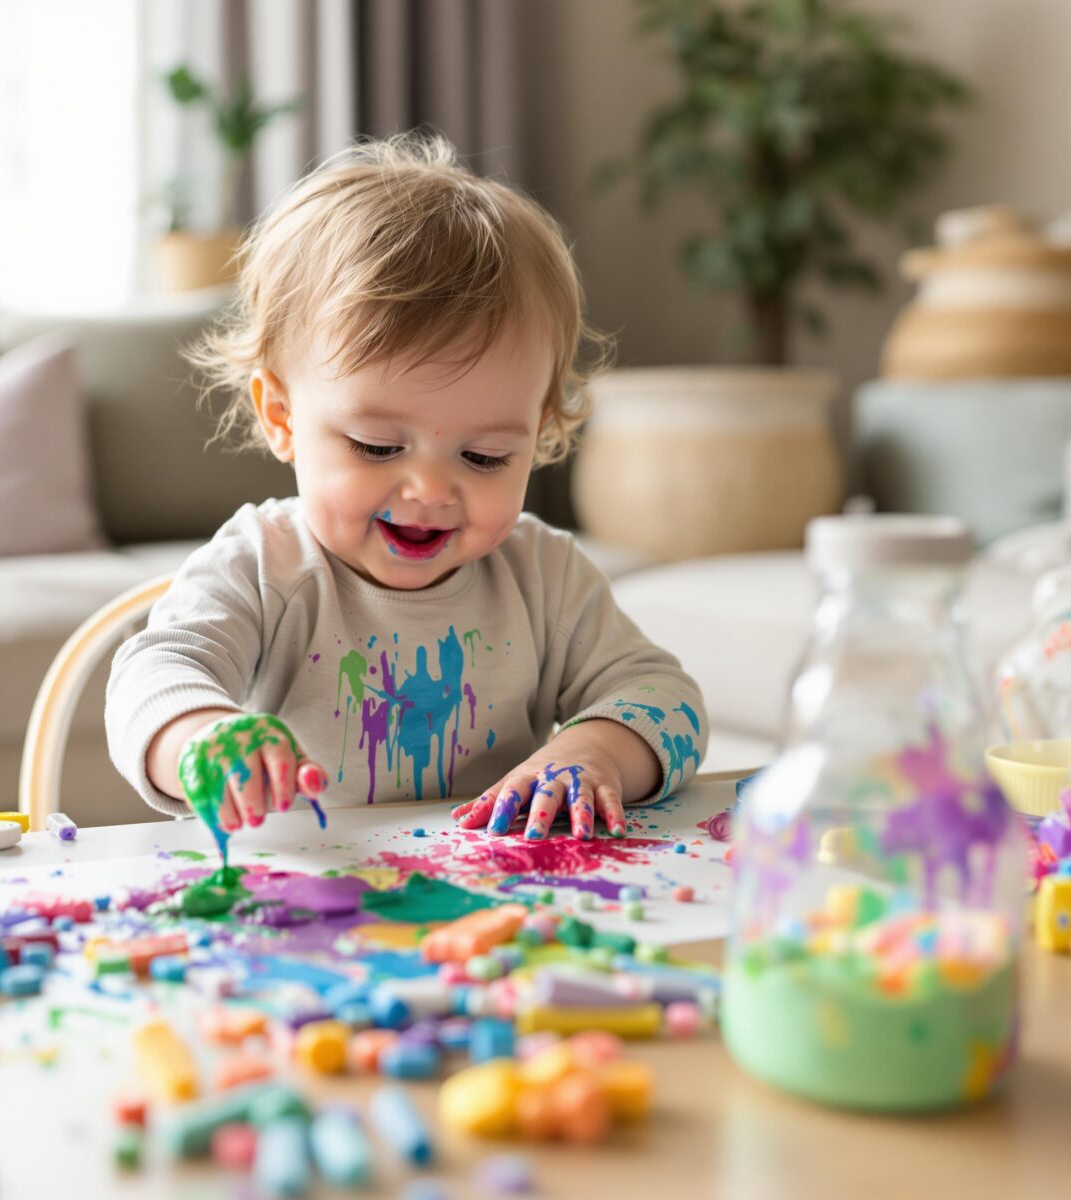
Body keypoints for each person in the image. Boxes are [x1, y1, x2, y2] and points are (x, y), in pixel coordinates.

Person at [105, 131, 707, 843]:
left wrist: (596, 749)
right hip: (308, 897)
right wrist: (201, 738)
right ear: (282, 416)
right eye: (378, 447)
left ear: (537, 434)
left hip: (501, 903)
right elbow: (156, 672)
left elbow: (668, 699)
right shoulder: (263, 566)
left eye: (484, 456)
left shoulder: (543, 578)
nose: (428, 489)